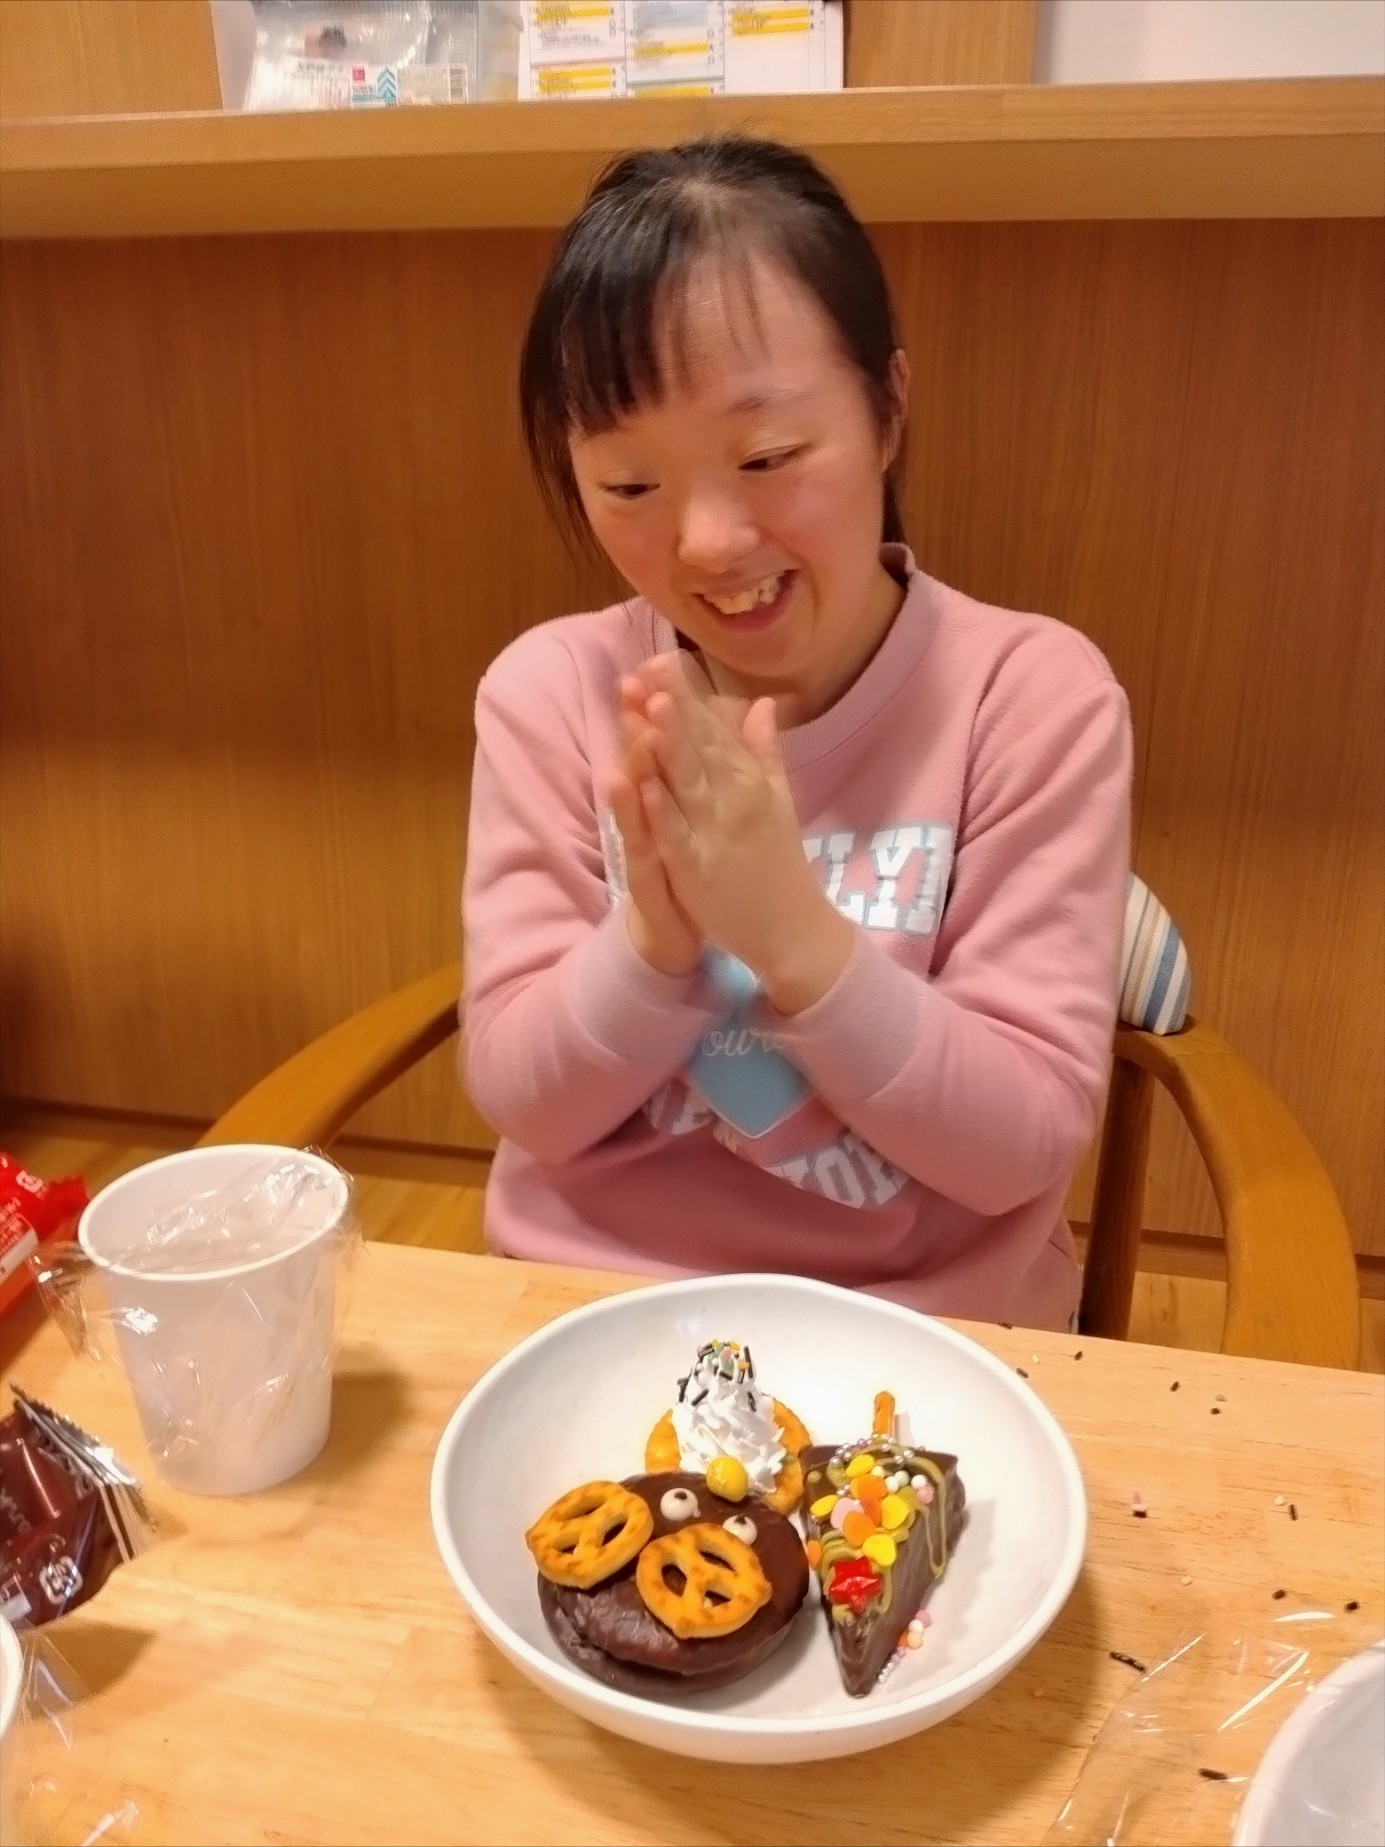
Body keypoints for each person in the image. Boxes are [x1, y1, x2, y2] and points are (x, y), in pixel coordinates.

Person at [461, 137, 1130, 1330]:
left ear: (887, 407)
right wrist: (655, 935)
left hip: (920, 1336)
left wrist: (787, 930)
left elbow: (1018, 1145)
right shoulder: (552, 694)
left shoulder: (1026, 698)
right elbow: (527, 1102)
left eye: (766, 457)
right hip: (588, 1313)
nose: (707, 541)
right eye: (628, 485)